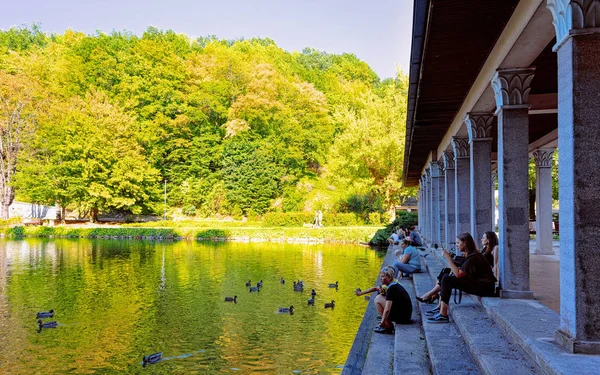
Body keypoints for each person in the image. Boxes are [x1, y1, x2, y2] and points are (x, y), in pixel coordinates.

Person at [426, 232, 497, 323]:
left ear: (465, 243)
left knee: (447, 279)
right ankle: (440, 307)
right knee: (446, 275)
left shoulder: (474, 256)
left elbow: (458, 274)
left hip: (485, 287)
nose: (456, 245)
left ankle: (443, 314)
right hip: (481, 284)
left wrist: (448, 258)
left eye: (458, 243)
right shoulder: (471, 254)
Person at [373, 266, 413, 333]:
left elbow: (387, 309)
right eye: (380, 276)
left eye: (383, 277)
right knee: (380, 297)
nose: (380, 278)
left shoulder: (392, 288)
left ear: (390, 278)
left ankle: (387, 326)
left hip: (403, 317)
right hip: (405, 315)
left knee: (378, 299)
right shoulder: (394, 285)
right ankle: (386, 323)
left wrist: (382, 323)